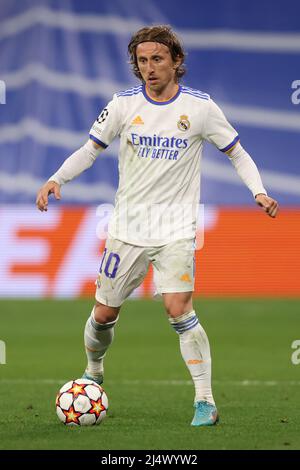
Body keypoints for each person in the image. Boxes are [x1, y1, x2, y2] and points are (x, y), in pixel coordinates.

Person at [36, 25, 279, 426]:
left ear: (176, 61)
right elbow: (89, 150)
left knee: (178, 308)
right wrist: (57, 179)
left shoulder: (200, 108)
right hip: (127, 229)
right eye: (142, 61)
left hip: (176, 229)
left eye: (158, 59)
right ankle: (94, 370)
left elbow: (238, 153)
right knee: (102, 315)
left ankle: (205, 401)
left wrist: (258, 190)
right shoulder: (122, 105)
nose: (149, 68)